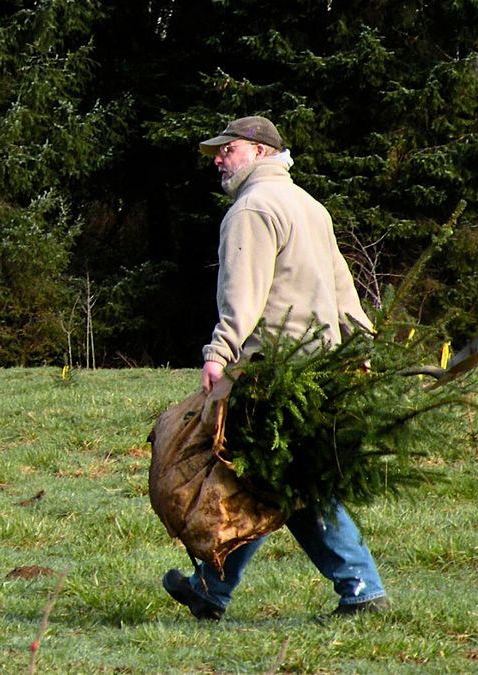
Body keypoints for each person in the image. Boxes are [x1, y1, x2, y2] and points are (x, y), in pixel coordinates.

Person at [161, 116, 390, 620]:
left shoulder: (251, 209)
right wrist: (361, 347)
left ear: (261, 152)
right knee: (273, 481)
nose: (219, 159)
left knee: (282, 484)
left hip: (274, 371)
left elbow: (242, 295)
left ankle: (361, 588)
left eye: (230, 150)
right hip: (319, 368)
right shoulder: (310, 206)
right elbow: (342, 287)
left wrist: (219, 353)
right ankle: (213, 589)